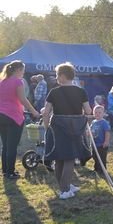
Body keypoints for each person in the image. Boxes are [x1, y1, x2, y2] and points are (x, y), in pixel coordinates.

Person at [43, 63, 92, 199]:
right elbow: (88, 111)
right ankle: (65, 190)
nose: (56, 78)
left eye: (57, 75)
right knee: (69, 157)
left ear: (63, 76)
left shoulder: (54, 92)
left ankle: (65, 187)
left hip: (57, 127)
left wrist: (47, 127)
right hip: (76, 127)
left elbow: (46, 112)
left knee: (60, 157)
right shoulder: (81, 91)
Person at [0, 61, 40, 179]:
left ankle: (5, 171)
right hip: (13, 116)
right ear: (18, 70)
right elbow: (23, 99)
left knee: (5, 145)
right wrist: (34, 111)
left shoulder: (2, 81)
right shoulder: (18, 81)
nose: (23, 73)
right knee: (12, 146)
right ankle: (10, 172)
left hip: (1, 115)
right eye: (23, 70)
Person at [89, 104, 111, 174]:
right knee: (95, 156)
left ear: (103, 114)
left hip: (102, 144)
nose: (97, 114)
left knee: (101, 157)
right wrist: (88, 133)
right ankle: (96, 168)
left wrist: (106, 141)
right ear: (93, 113)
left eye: (99, 112)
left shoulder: (104, 123)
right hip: (95, 144)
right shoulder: (93, 122)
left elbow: (107, 132)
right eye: (96, 112)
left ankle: (102, 170)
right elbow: (91, 131)